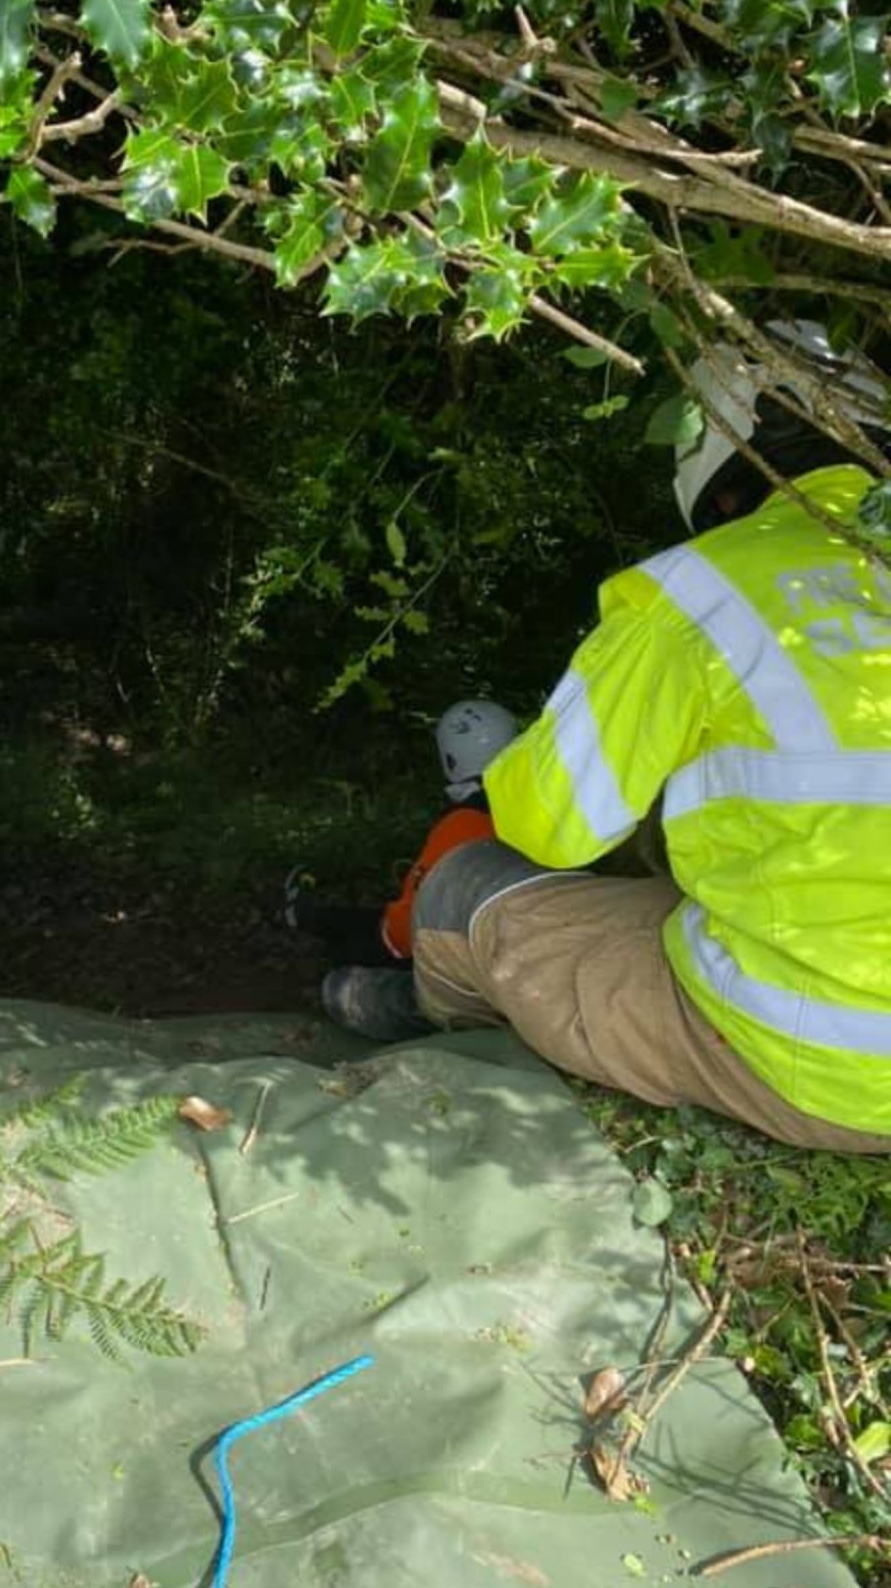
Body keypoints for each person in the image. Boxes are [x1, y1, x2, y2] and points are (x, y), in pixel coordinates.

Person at [321, 321, 891, 1152]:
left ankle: (421, 1008)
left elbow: (550, 827)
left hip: (834, 1069)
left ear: (722, 487)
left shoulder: (700, 591)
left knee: (462, 882)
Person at [286, 698, 516, 1006]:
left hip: (476, 985)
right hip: (520, 961)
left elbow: (404, 935)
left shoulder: (462, 825)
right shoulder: (536, 817)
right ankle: (310, 916)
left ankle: (309, 919)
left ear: (451, 758)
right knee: (370, 924)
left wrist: (350, 950)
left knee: (340, 985)